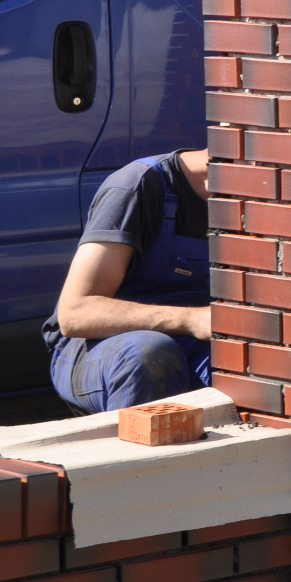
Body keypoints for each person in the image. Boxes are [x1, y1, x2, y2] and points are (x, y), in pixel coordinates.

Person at [44, 149, 213, 413]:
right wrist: (192, 320)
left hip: (190, 344)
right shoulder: (138, 185)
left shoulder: (262, 201)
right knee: (151, 354)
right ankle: (135, 438)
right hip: (100, 349)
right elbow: (75, 314)